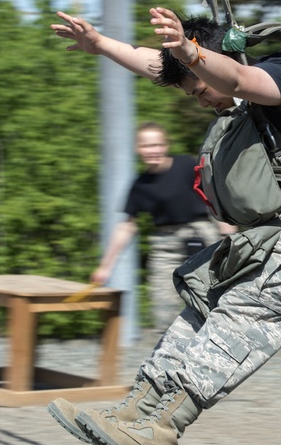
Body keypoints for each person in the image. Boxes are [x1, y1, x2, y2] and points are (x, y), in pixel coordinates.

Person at [46, 7, 281, 445]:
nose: (201, 101)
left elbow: (237, 78)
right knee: (206, 295)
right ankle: (138, 408)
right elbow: (165, 67)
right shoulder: (230, 89)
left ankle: (162, 427)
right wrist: (101, 45)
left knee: (245, 310)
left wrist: (191, 52)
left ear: (210, 56)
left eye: (201, 89)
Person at [90, 122, 224, 330]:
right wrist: (105, 266)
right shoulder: (140, 185)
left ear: (165, 145)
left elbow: (215, 192)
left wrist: (227, 226)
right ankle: (175, 353)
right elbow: (126, 227)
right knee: (163, 308)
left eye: (157, 145)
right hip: (165, 246)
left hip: (202, 236)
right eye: (146, 146)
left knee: (213, 302)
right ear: (138, 148)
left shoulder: (186, 165)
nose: (152, 150)